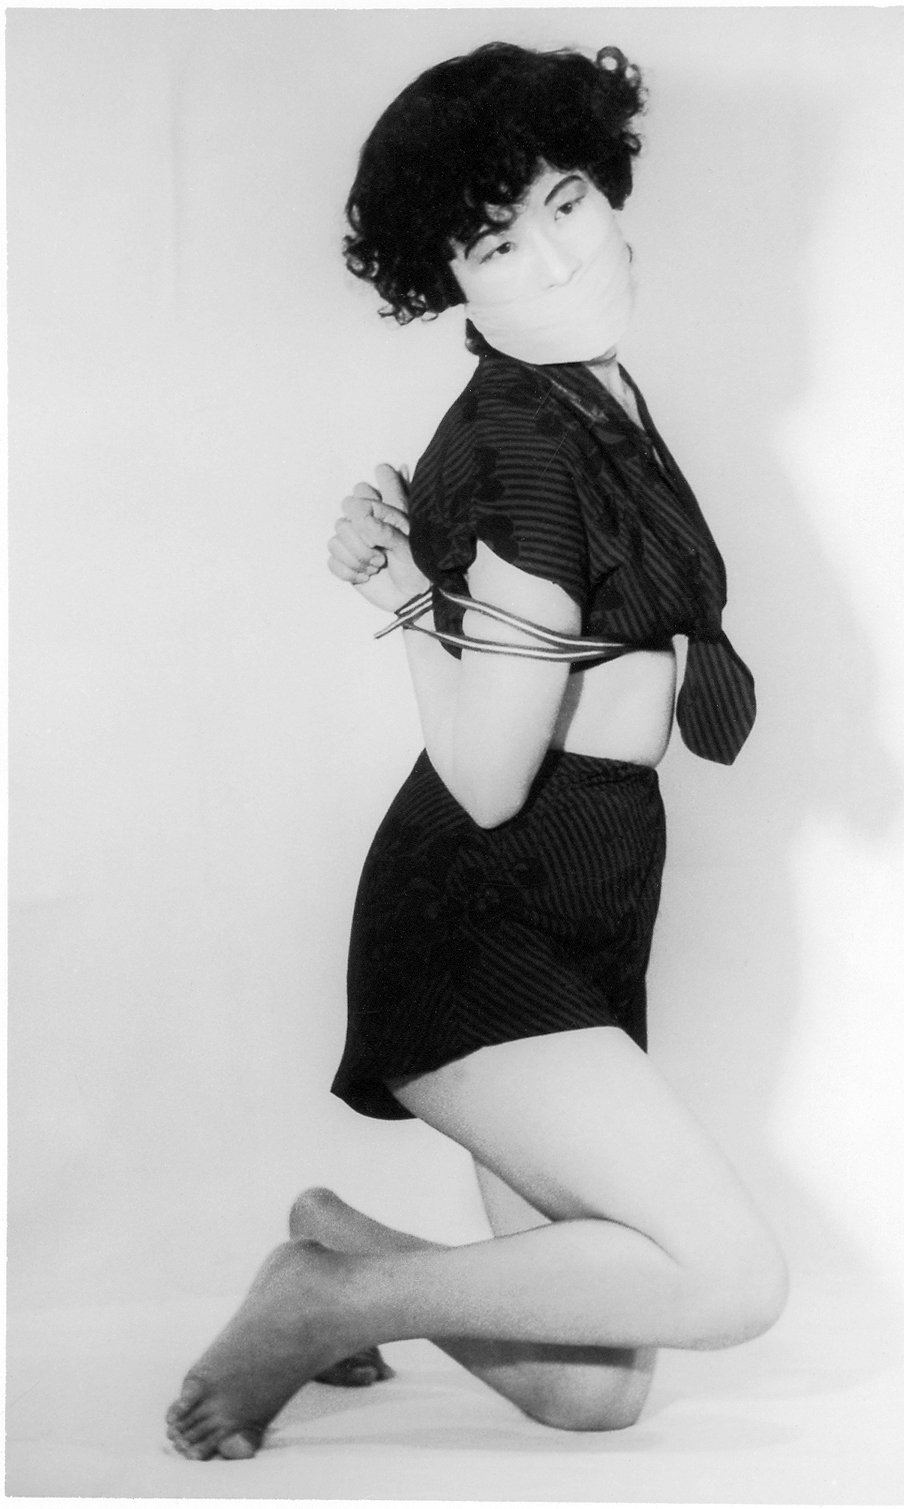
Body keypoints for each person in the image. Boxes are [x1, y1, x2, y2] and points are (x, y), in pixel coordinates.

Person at [166, 41, 787, 1461]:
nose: (557, 260)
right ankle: (320, 1301)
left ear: (607, 189)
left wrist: (407, 582)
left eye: (565, 203)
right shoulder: (527, 446)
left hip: (586, 896)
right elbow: (489, 781)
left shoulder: (592, 394)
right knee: (731, 1279)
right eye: (499, 243)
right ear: (448, 279)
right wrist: (402, 600)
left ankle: (343, 1246)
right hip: (480, 919)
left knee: (590, 1395)